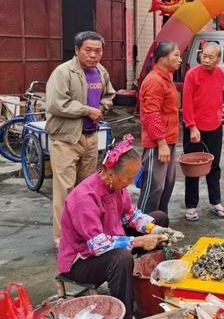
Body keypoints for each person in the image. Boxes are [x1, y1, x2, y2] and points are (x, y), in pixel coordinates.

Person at [58, 135, 180, 319]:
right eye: (128, 178)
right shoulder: (84, 196)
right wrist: (138, 241)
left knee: (159, 218)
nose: (130, 182)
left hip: (111, 240)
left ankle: (143, 283)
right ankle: (125, 313)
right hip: (81, 260)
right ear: (110, 173)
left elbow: (131, 214)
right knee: (121, 258)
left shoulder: (116, 187)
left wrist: (152, 229)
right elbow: (97, 245)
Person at [46, 31, 115, 246]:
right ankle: (62, 240)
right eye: (88, 50)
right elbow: (56, 104)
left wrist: (102, 107)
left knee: (85, 191)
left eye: (98, 50)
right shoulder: (63, 72)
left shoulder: (101, 71)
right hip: (67, 139)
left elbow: (109, 95)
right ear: (77, 50)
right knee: (64, 191)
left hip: (91, 137)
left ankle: (82, 234)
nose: (93, 55)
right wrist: (87, 110)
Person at [182, 41, 224, 221]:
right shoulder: (192, 74)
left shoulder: (220, 73)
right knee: (193, 167)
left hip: (215, 126)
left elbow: (217, 98)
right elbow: (187, 102)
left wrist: (218, 119)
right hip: (195, 128)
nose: (206, 59)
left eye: (210, 57)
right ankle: (192, 206)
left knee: (214, 166)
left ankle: (215, 202)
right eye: (204, 55)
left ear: (218, 59)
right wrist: (192, 126)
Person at [137, 42, 182, 215]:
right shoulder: (154, 81)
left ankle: (160, 223)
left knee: (166, 185)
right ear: (163, 58)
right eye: (176, 55)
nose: (179, 59)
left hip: (168, 140)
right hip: (157, 143)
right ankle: (142, 228)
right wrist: (161, 143)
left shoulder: (166, 77)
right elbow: (151, 114)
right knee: (153, 187)